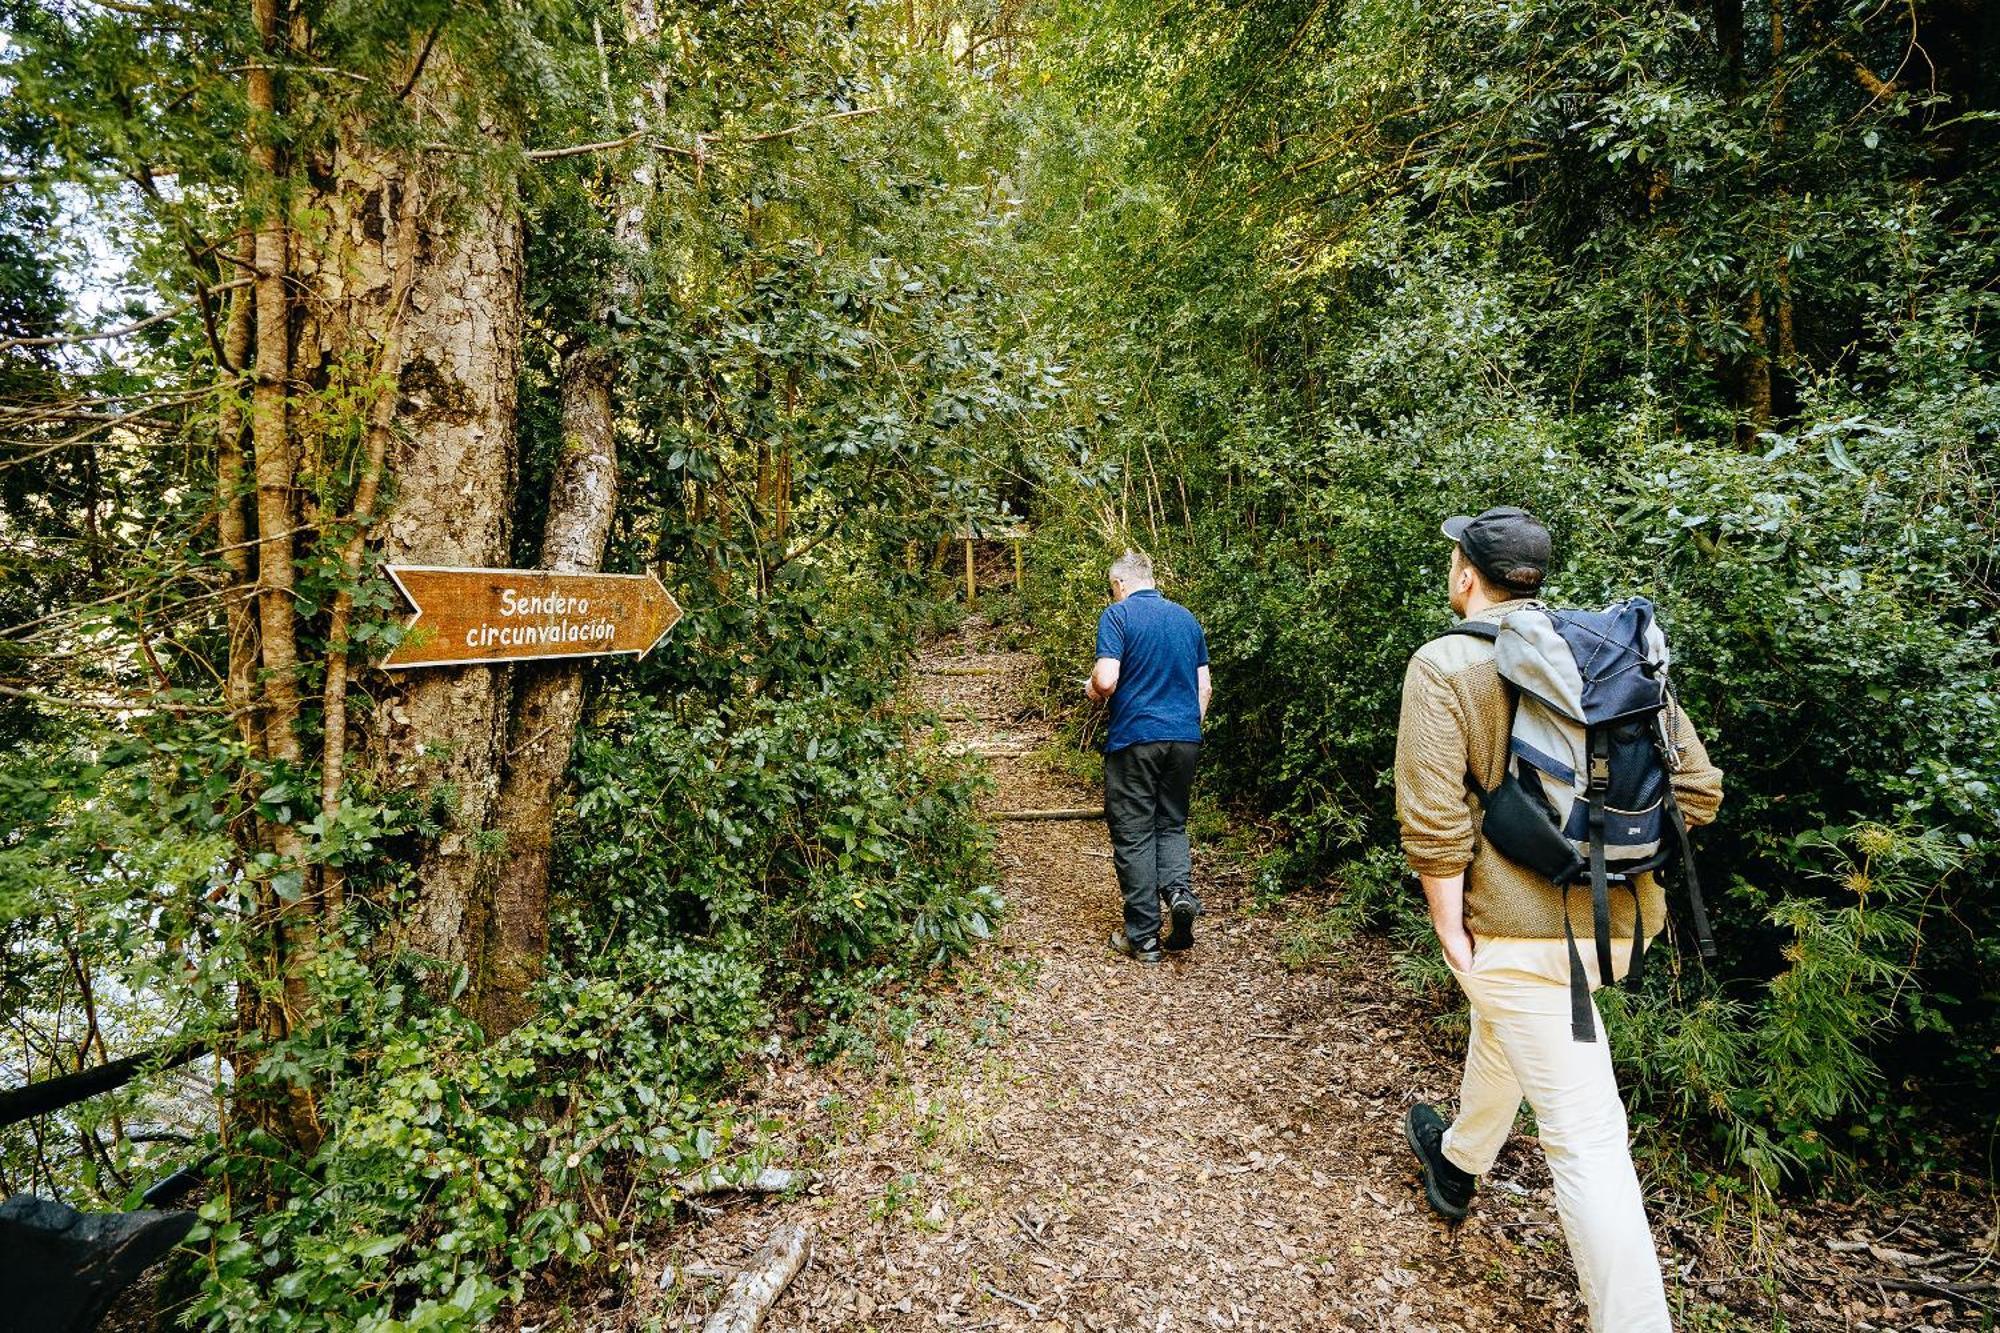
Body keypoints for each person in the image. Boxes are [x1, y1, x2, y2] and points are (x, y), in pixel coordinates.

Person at [1393, 506, 1723, 1333]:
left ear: (1467, 573)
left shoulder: (1443, 665)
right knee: (1506, 1027)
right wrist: (1610, 854)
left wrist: (1450, 925)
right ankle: (1458, 1161)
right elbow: (1699, 793)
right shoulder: (1609, 654)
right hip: (1617, 927)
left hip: (1520, 935)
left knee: (1587, 1138)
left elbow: (1434, 820)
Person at [1085, 549, 1212, 963]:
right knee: (1171, 823)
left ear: (1120, 584)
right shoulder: (1187, 619)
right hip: (1185, 738)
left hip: (1136, 738)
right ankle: (1178, 894)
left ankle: (1143, 937)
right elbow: (1204, 689)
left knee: (1134, 830)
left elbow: (1106, 679)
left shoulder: (1117, 616)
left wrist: (1092, 687)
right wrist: (1187, 727)